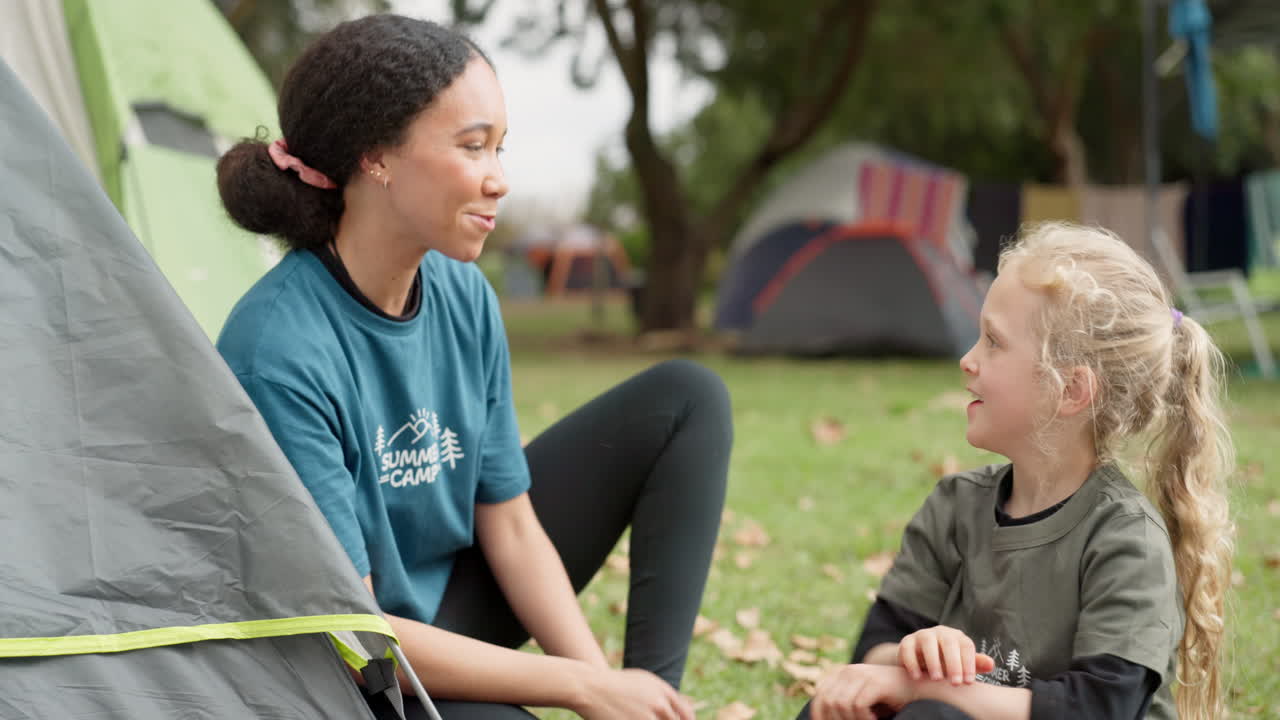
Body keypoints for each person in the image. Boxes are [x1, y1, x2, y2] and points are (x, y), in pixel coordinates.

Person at [214, 14, 732, 720]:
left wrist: (605, 685)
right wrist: (578, 688)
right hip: (353, 678)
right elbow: (357, 638)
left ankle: (658, 701)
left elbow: (511, 526)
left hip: (445, 615)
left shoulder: (463, 294)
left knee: (687, 396)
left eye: (500, 148)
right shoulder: (276, 351)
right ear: (377, 157)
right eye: (473, 146)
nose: (499, 180)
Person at [799, 222, 1234, 720]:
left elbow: (1098, 709)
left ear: (1071, 390)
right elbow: (873, 653)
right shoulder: (955, 506)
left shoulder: (1125, 538)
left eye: (993, 342)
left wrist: (925, 690)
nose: (968, 360)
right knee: (832, 708)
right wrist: (912, 654)